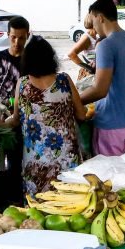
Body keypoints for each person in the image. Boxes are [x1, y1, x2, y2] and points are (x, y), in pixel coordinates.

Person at [10, 37, 86, 195]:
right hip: (66, 158)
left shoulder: (22, 84)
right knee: (71, 202)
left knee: (38, 206)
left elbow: (15, 120)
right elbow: (81, 115)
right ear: (51, 58)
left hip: (36, 162)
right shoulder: (64, 80)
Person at [79, 0, 125, 156]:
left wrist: (75, 100)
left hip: (110, 125)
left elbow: (100, 90)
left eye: (93, 21)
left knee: (111, 171)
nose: (94, 28)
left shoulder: (105, 45)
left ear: (100, 18)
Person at [0, 16, 33, 103]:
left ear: (28, 36)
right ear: (8, 34)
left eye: (21, 38)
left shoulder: (33, 61)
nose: (17, 42)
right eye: (13, 37)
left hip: (24, 108)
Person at [67, 14, 100, 80]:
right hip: (91, 75)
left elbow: (92, 55)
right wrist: (88, 68)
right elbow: (71, 54)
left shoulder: (95, 37)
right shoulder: (86, 38)